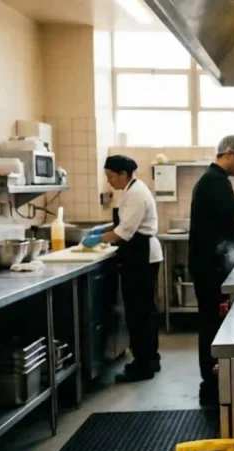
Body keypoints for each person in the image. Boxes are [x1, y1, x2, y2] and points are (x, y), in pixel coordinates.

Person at [82, 155, 164, 382]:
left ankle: (143, 365)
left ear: (123, 174)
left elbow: (124, 232)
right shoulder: (132, 190)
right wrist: (103, 229)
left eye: (111, 176)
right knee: (143, 312)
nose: (109, 181)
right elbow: (122, 224)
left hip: (141, 255)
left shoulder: (136, 193)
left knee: (139, 313)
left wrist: (95, 240)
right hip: (138, 254)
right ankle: (149, 359)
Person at [188, 135, 234, 406]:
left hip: (212, 265)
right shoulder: (214, 181)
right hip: (210, 268)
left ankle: (214, 382)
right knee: (212, 325)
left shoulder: (215, 180)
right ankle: (211, 387)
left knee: (212, 323)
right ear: (229, 153)